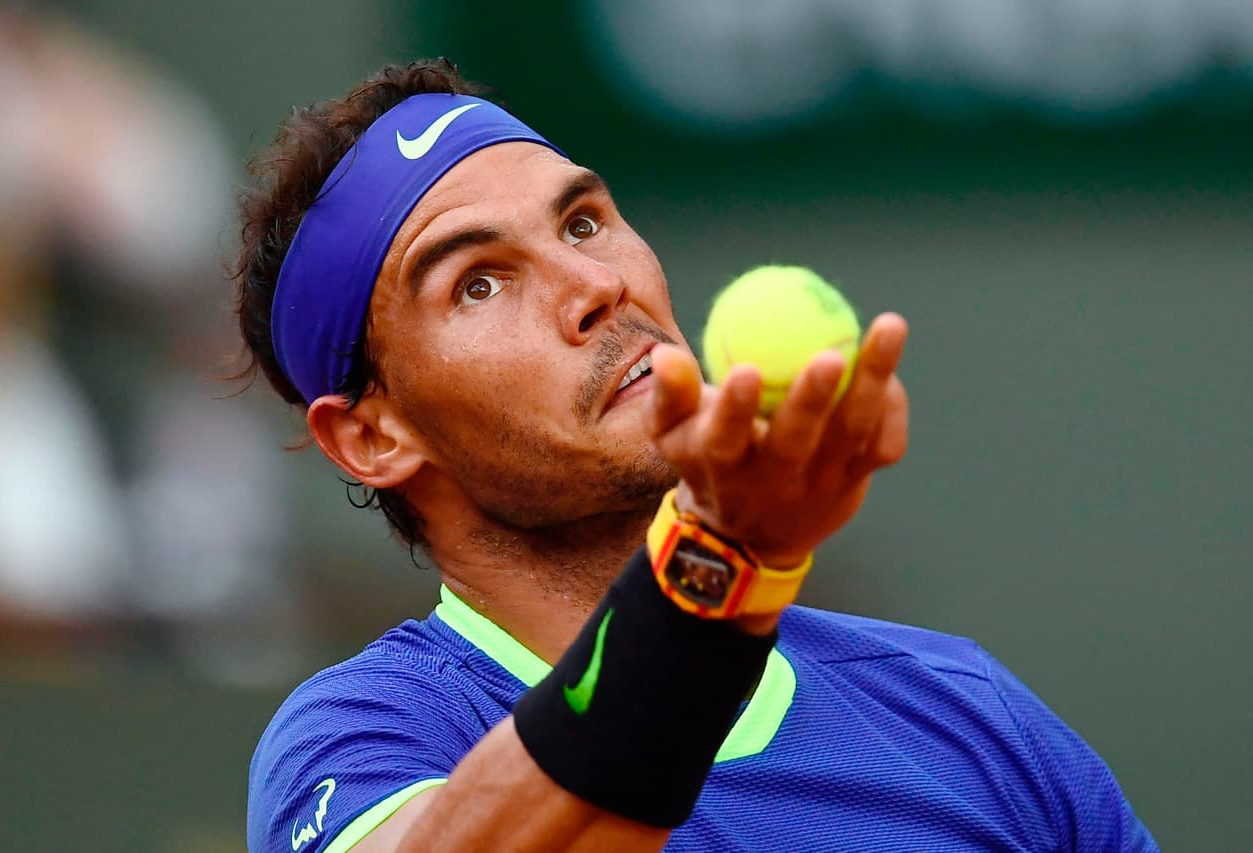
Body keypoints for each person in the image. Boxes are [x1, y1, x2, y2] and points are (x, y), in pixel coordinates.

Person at [238, 60, 1157, 852]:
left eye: (585, 223)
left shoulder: (968, 716)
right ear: (373, 435)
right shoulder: (362, 739)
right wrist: (714, 568)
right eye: (478, 282)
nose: (596, 285)